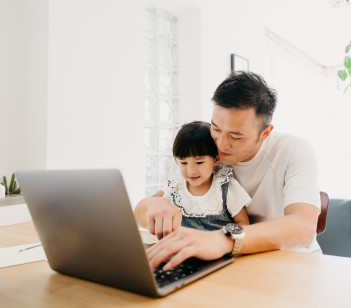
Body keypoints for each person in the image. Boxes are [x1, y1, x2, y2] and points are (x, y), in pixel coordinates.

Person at [135, 71, 321, 270]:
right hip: (234, 265)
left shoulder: (293, 150)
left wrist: (223, 239)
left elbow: (303, 227)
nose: (222, 144)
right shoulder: (207, 149)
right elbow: (138, 213)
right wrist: (155, 204)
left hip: (291, 265)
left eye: (236, 136)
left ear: (265, 133)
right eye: (216, 128)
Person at [141, 121, 250, 234]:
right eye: (183, 163)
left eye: (199, 163)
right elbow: (149, 202)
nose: (191, 171)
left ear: (216, 159)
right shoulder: (175, 185)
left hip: (217, 249)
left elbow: (243, 223)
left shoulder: (225, 186)